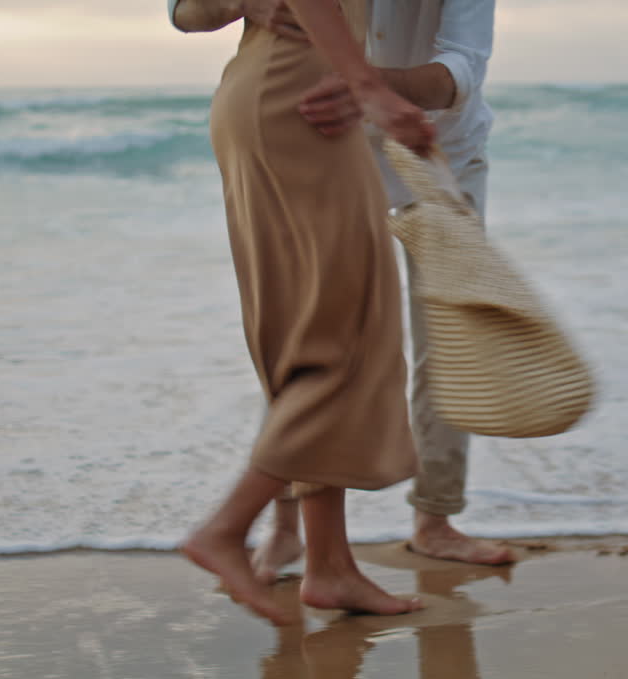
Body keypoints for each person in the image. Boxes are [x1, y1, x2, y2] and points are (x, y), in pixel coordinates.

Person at [170, 0, 516, 574]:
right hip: (327, 142)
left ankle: (435, 518)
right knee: (309, 331)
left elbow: (460, 69)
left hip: (438, 147)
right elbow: (183, 11)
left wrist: (368, 84)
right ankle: (285, 529)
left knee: (450, 338)